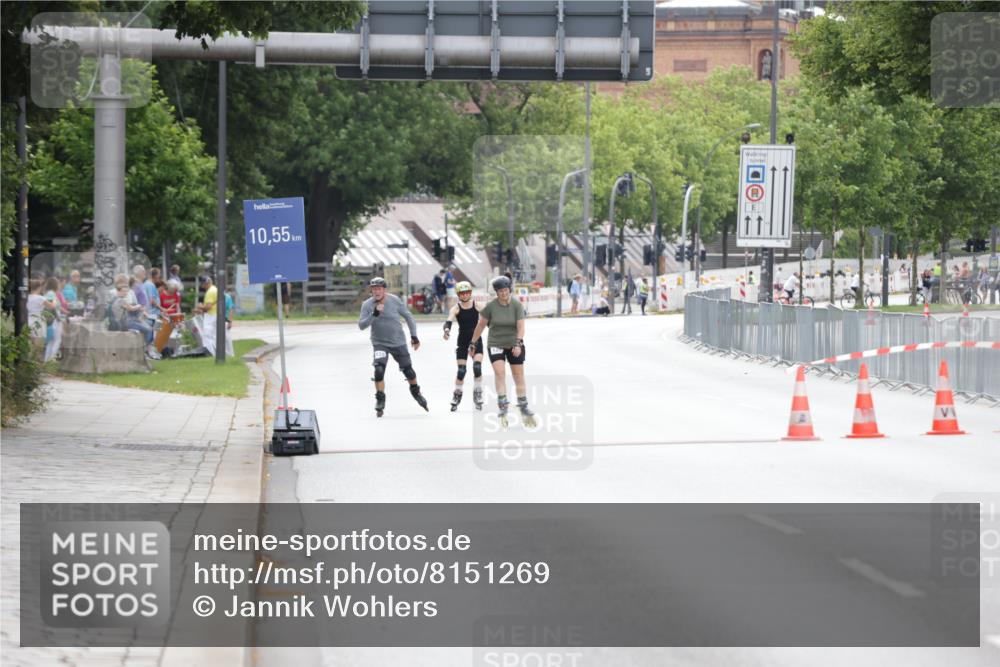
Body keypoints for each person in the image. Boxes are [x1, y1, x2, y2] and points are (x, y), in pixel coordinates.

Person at [468, 275, 535, 427]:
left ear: (509, 290)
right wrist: (472, 343)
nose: (503, 293)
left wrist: (518, 344)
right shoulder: (491, 307)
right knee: (500, 373)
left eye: (505, 290)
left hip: (514, 343)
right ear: (496, 293)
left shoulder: (517, 305)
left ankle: (523, 406)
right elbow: (480, 326)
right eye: (500, 291)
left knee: (518, 375)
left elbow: (521, 327)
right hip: (496, 342)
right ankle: (503, 405)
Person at [358, 276, 427, 417]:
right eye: (373, 289)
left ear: (384, 290)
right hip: (379, 343)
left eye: (379, 289)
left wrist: (414, 336)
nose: (376, 292)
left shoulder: (394, 300)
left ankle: (416, 392)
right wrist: (374, 314)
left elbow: (409, 317)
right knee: (378, 370)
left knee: (409, 371)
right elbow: (361, 326)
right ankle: (380, 399)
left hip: (398, 342)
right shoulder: (367, 305)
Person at [443, 280, 484, 412]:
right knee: (461, 371)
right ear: (458, 294)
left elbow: (489, 316)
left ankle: (478, 393)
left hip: (476, 339)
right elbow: (448, 320)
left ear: (470, 293)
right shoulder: (456, 308)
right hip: (462, 341)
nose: (465, 295)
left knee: (477, 367)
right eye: (462, 293)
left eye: (467, 293)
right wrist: (447, 331)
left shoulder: (477, 305)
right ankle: (457, 394)